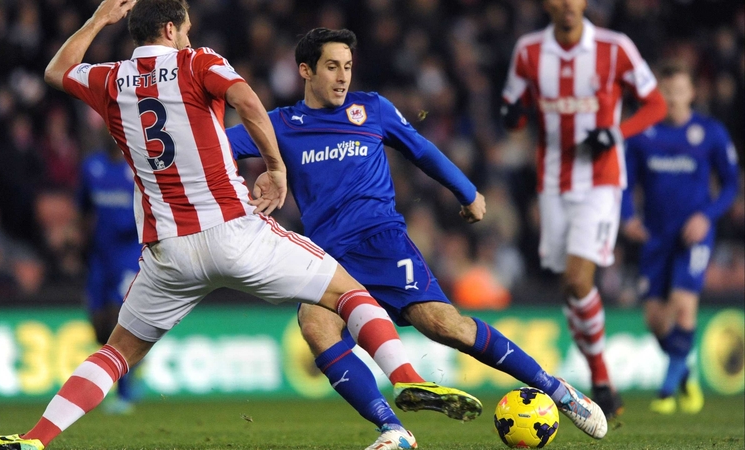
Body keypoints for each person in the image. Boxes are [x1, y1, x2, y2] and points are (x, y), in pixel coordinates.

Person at [0, 2, 479, 450]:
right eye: (186, 28)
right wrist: (276, 168)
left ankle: (34, 440)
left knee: (117, 352)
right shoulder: (199, 62)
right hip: (234, 231)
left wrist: (101, 16)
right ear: (171, 28)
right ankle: (408, 377)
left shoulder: (109, 78)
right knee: (351, 295)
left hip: (167, 251)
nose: (189, 36)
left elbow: (57, 69)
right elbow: (248, 101)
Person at [228, 27, 608, 446]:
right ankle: (394, 429)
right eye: (332, 67)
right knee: (315, 326)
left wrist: (468, 192)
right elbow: (217, 149)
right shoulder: (281, 124)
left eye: (348, 67)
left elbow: (421, 150)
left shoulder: (371, 109)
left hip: (382, 242)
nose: (342, 77)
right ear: (305, 70)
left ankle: (559, 391)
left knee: (447, 327)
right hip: (328, 256)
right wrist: (260, 174)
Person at [500, 0, 667, 418]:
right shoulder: (528, 51)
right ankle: (598, 379)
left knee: (578, 280)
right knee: (570, 289)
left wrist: (616, 132)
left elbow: (655, 104)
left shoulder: (615, 47)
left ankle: (603, 382)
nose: (567, 5)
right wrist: (512, 116)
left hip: (601, 182)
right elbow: (513, 115)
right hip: (552, 184)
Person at [621, 63, 740, 415]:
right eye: (665, 92)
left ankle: (667, 392)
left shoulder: (710, 132)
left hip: (694, 234)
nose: (671, 98)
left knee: (684, 304)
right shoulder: (643, 134)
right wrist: (628, 218)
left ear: (692, 93)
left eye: (678, 91)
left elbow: (731, 183)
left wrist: (707, 216)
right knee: (655, 319)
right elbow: (626, 182)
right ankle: (684, 371)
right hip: (656, 235)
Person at [76, 138, 142, 414]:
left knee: (118, 317)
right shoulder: (92, 166)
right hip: (100, 254)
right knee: (98, 324)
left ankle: (124, 394)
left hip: (129, 253)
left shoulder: (137, 167)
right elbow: (83, 209)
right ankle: (132, 368)